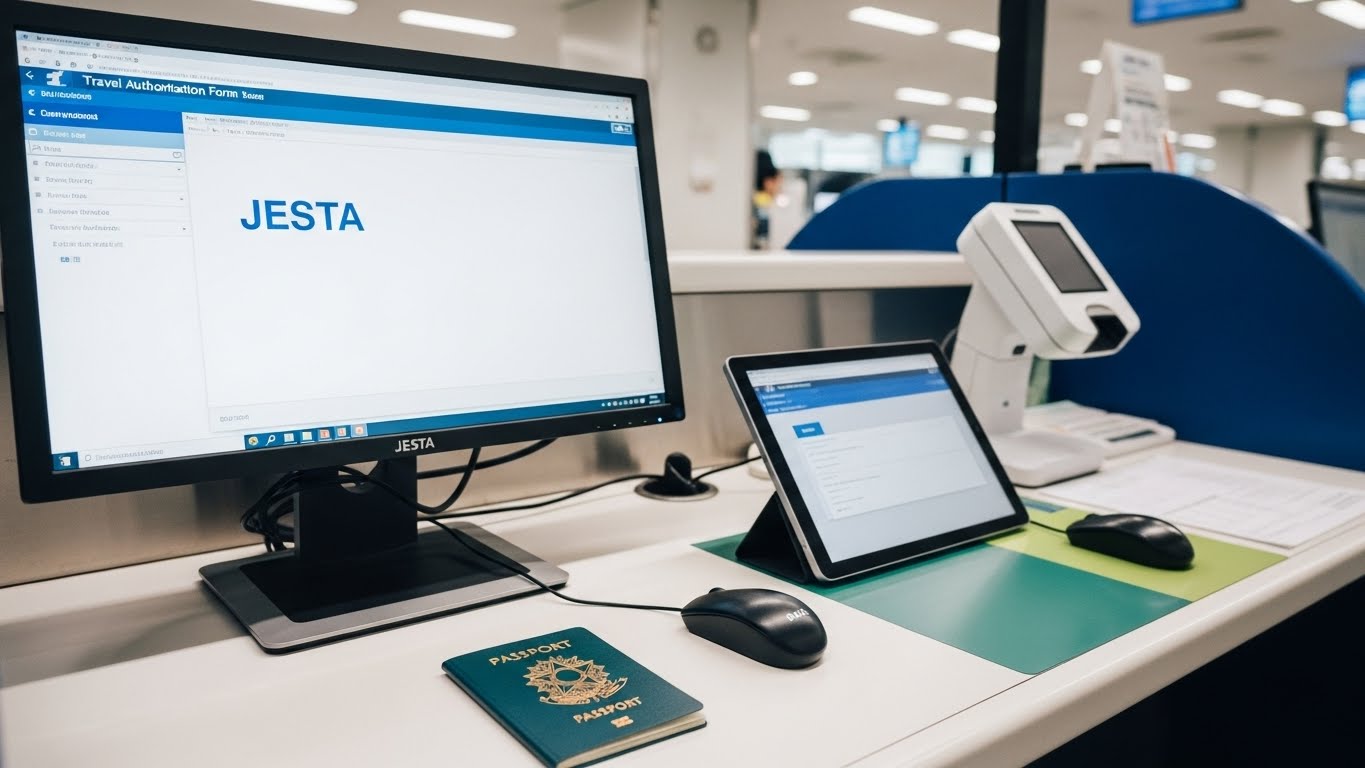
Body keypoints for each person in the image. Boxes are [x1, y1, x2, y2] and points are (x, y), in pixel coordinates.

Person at [752, 150, 782, 249]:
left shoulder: (757, 199)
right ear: (768, 181)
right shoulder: (762, 201)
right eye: (778, 183)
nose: (779, 188)